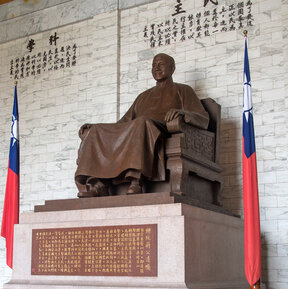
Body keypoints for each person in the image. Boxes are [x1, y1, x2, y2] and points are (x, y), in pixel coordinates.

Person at [75, 53, 211, 197]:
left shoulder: (183, 90)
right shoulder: (143, 96)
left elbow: (203, 118)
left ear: (172, 68)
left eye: (161, 64)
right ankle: (97, 184)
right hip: (139, 129)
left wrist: (182, 113)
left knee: (141, 122)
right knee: (96, 130)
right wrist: (96, 127)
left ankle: (136, 181)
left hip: (162, 130)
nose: (156, 68)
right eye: (153, 65)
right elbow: (123, 123)